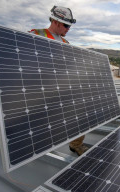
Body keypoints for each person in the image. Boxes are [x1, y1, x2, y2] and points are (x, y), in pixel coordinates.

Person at [29, 5, 88, 156]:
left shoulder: (66, 44)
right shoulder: (35, 35)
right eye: (66, 25)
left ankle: (76, 144)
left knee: (81, 111)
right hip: (41, 89)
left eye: (70, 26)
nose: (68, 29)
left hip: (61, 87)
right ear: (55, 21)